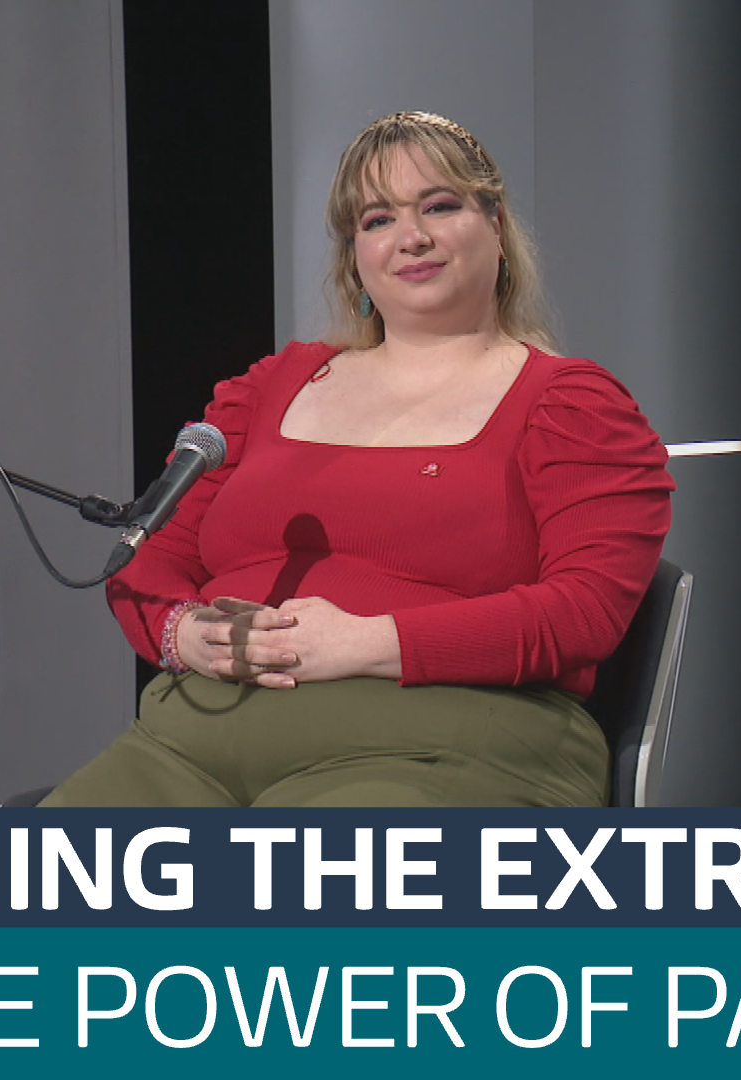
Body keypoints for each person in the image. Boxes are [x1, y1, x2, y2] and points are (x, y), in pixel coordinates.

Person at [44, 112, 673, 808]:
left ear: (495, 227)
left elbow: (583, 613)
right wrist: (185, 634)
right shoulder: (266, 389)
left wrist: (368, 641)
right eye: (378, 220)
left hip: (438, 748)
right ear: (355, 258)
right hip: (186, 747)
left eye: (440, 205)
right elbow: (149, 554)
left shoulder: (570, 403)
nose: (412, 237)